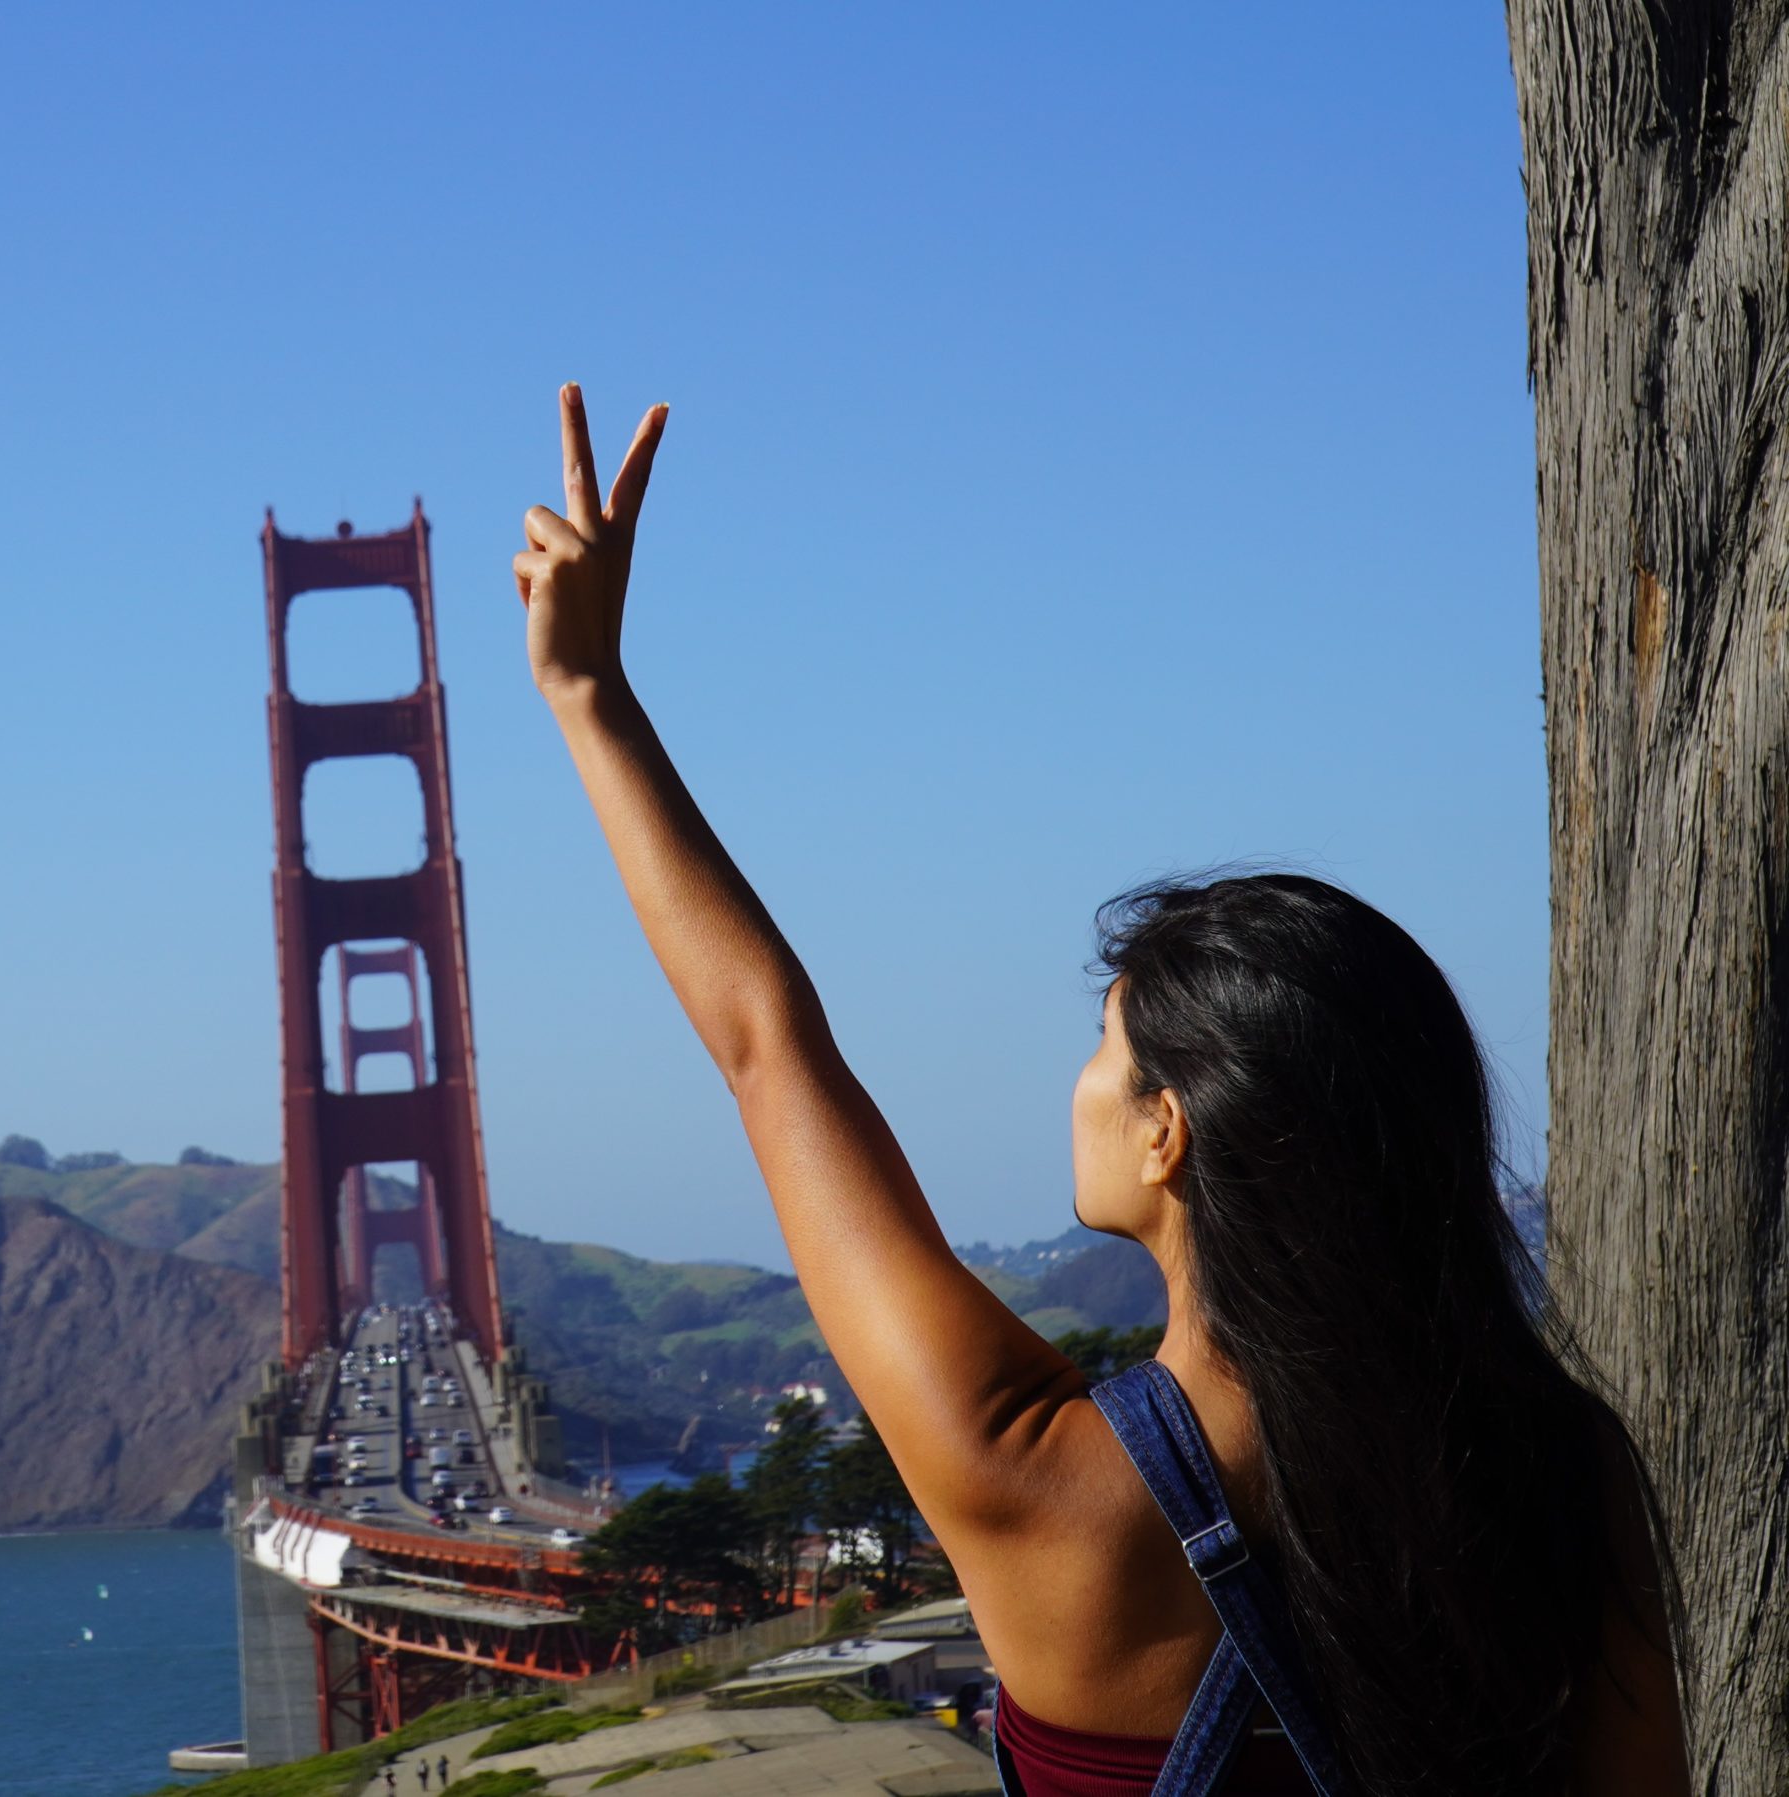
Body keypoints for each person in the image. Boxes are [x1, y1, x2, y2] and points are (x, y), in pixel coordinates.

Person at [510, 384, 1689, 1797]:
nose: (1074, 1084)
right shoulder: (1568, 1474)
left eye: (1105, 1047)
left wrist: (589, 695)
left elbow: (770, 1046)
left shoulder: (1038, 1477)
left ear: (1168, 1130)